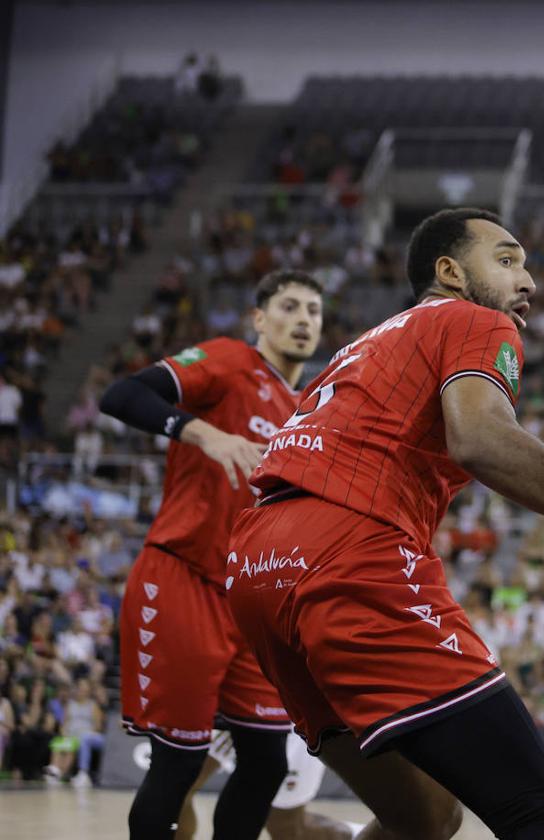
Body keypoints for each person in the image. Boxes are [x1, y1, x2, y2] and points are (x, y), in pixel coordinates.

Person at [224, 208, 544, 840]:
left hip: (257, 570)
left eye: (527, 264)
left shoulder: (366, 344)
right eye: (507, 260)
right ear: (450, 272)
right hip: (345, 549)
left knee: (426, 818)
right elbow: (481, 440)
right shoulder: (472, 319)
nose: (528, 281)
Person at [99, 270, 329, 839]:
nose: (303, 319)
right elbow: (122, 394)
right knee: (178, 762)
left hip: (249, 605)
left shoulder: (307, 409)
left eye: (314, 311)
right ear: (259, 318)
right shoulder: (230, 362)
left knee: (266, 762)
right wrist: (201, 433)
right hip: (183, 579)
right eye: (290, 306)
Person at [176, 731, 363, 840]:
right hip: (223, 690)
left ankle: (357, 834)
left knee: (285, 827)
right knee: (177, 792)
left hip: (279, 703)